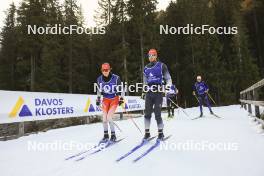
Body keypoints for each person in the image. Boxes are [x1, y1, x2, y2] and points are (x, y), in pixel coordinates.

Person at [142, 48, 172, 141]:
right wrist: (144, 91)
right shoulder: (146, 68)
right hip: (149, 93)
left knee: (157, 114)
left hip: (158, 93)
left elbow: (168, 79)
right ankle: (147, 133)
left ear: (156, 56)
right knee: (147, 114)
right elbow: (145, 82)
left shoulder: (162, 65)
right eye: (149, 55)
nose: (151, 57)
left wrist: (167, 88)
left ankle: (161, 133)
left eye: (153, 55)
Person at [96, 63, 124, 142]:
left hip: (114, 99)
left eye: (106, 70)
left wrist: (121, 98)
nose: (105, 72)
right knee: (104, 119)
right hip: (105, 100)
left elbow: (122, 89)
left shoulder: (116, 78)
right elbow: (98, 90)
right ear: (101, 70)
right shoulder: (99, 79)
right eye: (103, 70)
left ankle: (113, 135)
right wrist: (98, 98)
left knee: (109, 117)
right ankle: (105, 135)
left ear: (109, 70)